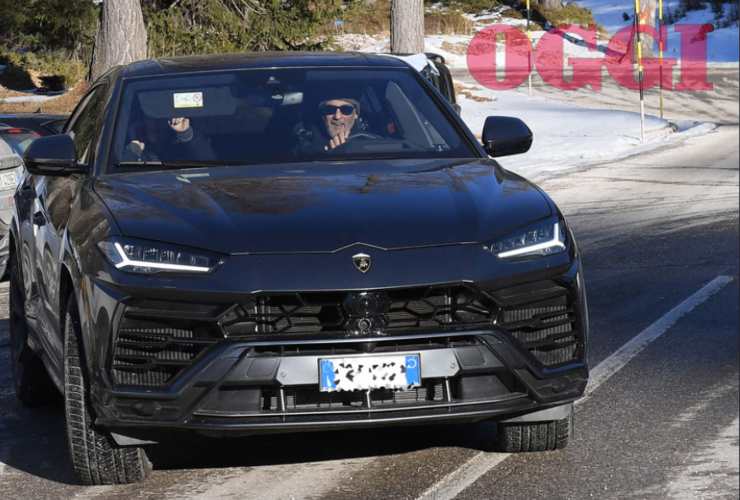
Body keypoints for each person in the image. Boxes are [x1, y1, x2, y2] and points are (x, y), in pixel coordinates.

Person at [294, 96, 367, 154]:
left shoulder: (369, 143)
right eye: (330, 110)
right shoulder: (305, 147)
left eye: (346, 110)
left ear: (356, 114)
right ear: (323, 114)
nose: (337, 116)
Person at [123, 116, 213, 162]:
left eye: (160, 119)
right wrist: (131, 155)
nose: (156, 123)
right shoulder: (130, 146)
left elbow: (208, 160)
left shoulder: (181, 145)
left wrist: (185, 132)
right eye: (151, 118)